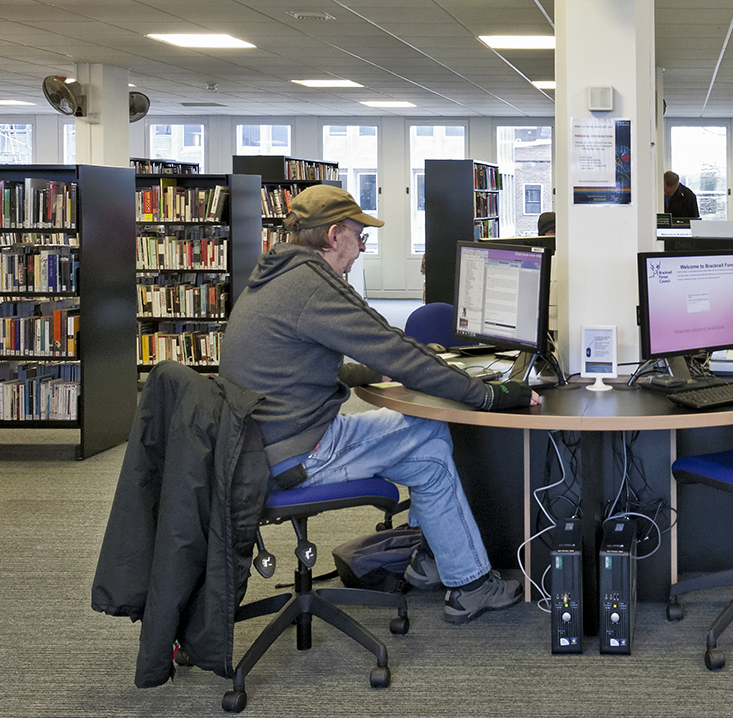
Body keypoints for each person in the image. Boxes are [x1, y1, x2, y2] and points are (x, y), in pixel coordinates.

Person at [219, 185, 540, 624]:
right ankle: (465, 582)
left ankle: (438, 564)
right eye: (359, 237)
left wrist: (365, 372)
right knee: (429, 431)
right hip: (296, 452)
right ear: (334, 235)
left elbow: (292, 363)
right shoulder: (314, 284)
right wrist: (491, 395)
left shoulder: (275, 273)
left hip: (259, 445)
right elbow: (397, 349)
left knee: (429, 459)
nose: (361, 249)